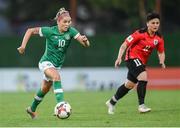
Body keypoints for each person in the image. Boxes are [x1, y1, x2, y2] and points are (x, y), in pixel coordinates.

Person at [17, 7, 90, 119]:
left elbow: (85, 44)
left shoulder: (71, 31)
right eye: (65, 22)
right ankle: (61, 105)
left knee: (45, 89)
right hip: (45, 63)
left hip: (57, 66)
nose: (67, 24)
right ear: (58, 21)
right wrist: (23, 46)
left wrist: (85, 41)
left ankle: (31, 109)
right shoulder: (50, 31)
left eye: (69, 22)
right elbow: (30, 31)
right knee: (56, 76)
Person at [106, 12, 166, 114]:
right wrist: (119, 57)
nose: (156, 25)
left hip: (141, 62)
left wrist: (162, 61)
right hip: (131, 58)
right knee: (143, 76)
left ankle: (111, 102)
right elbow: (124, 45)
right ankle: (141, 106)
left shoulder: (159, 38)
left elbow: (161, 52)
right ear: (147, 23)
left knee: (129, 85)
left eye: (157, 23)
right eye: (153, 23)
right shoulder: (139, 33)